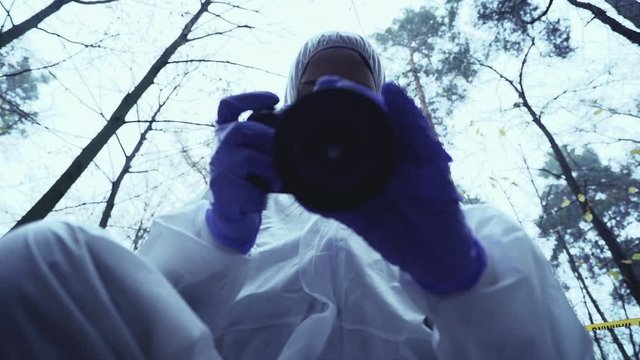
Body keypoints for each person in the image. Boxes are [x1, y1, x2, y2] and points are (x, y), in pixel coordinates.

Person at [0, 32, 594, 359]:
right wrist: (221, 237)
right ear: (285, 109)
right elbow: (135, 319)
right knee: (45, 256)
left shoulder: (475, 232)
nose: (330, 104)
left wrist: (462, 280)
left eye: (354, 94)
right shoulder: (221, 216)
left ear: (387, 114)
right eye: (313, 92)